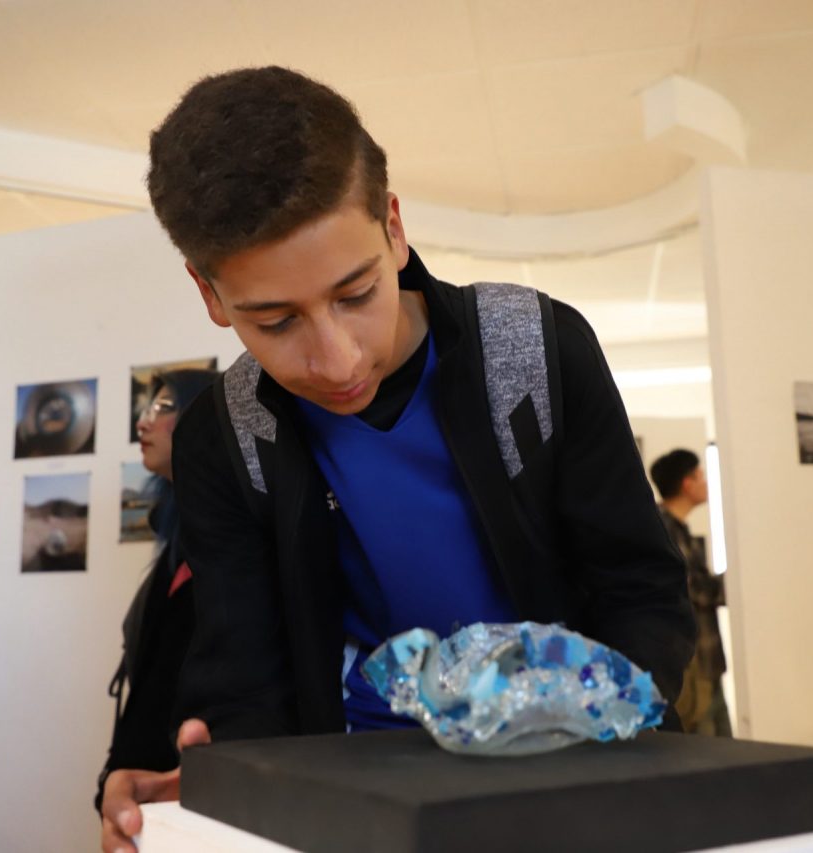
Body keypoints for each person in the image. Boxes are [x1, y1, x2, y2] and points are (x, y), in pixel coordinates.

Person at [100, 66, 695, 852]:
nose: (338, 359)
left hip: (582, 769)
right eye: (276, 321)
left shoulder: (537, 349)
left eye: (356, 294)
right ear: (210, 295)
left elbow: (642, 593)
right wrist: (225, 786)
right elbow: (246, 680)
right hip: (356, 798)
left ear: (393, 226)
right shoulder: (222, 436)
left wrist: (588, 736)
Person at [94, 370, 215, 823]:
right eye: (146, 409)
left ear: (205, 417)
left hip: (191, 793)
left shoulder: (232, 544)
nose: (142, 423)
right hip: (144, 791)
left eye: (163, 407)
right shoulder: (176, 544)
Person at [649, 449, 731, 737]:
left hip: (706, 664)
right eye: (700, 476)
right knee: (707, 752)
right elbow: (694, 590)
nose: (705, 483)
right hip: (692, 668)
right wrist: (740, 582)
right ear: (687, 483)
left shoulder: (677, 529)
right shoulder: (665, 529)